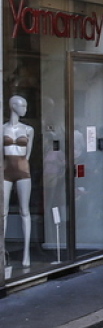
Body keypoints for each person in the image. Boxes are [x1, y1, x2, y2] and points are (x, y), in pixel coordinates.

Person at [3, 95, 34, 268]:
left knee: (24, 210)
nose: (26, 109)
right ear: (13, 106)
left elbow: (28, 154)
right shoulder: (2, 129)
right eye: (23, 106)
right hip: (6, 170)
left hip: (23, 169)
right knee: (3, 212)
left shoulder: (28, 129)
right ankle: (2, 251)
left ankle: (26, 253)